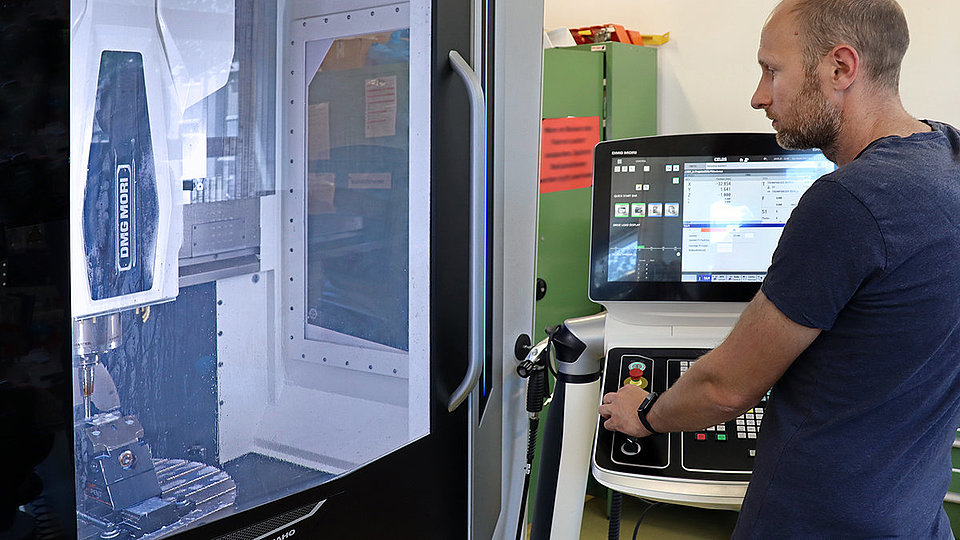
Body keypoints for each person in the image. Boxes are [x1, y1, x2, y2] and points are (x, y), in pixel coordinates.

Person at [597, 0, 960, 537]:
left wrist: (644, 413)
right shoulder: (949, 154)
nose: (758, 95)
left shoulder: (848, 202)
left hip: (815, 522)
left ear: (841, 68)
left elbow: (726, 389)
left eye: (772, 70)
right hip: (910, 515)